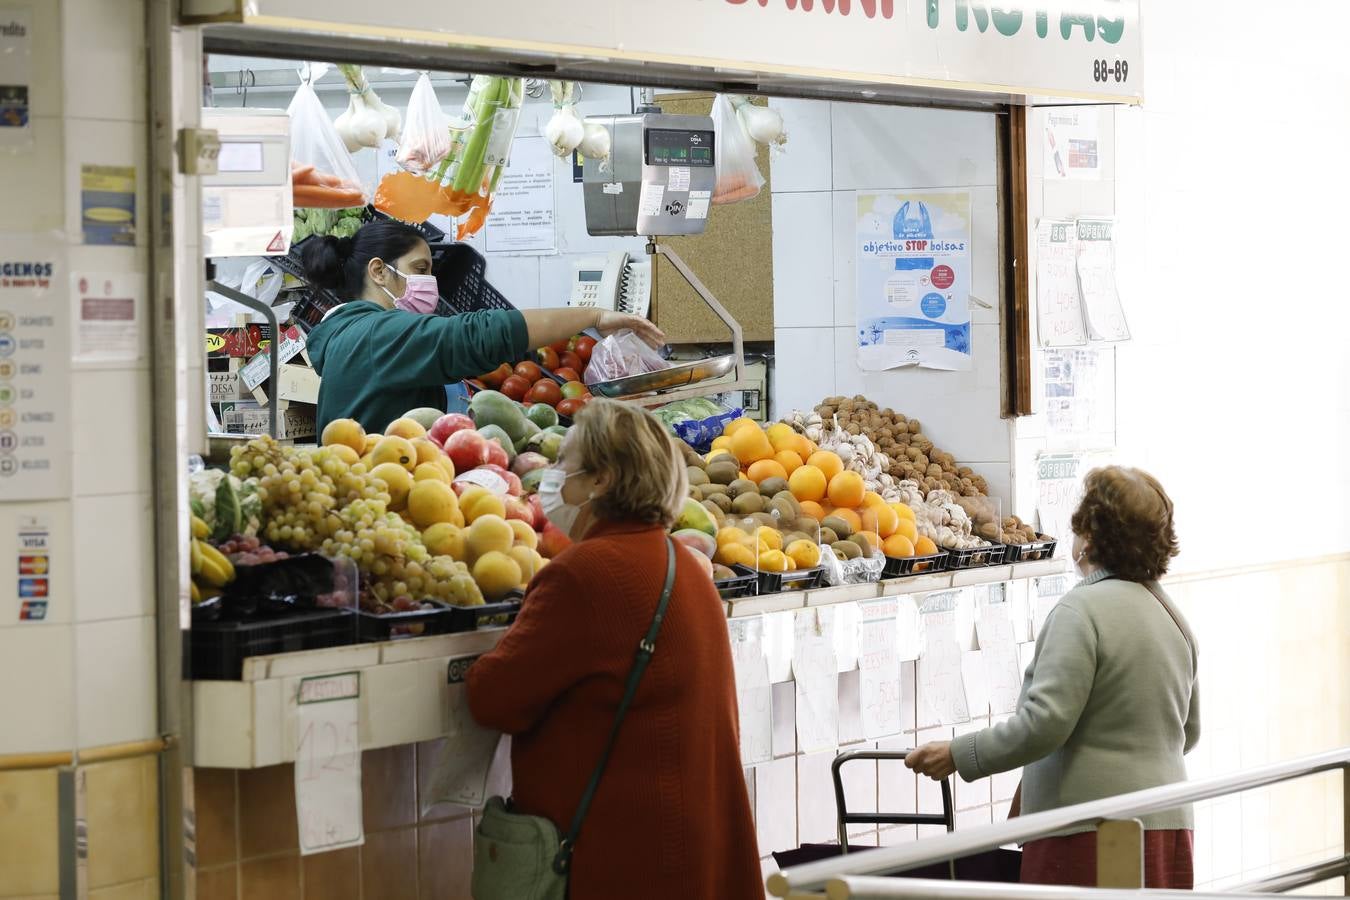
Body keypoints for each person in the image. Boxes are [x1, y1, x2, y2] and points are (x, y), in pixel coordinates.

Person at [465, 399, 762, 900]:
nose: (554, 477)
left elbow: (493, 698)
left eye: (565, 465)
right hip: (692, 855)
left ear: (600, 480)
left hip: (621, 858)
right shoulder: (687, 567)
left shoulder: (583, 574)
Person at [905, 466, 1199, 889]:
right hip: (1168, 821)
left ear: (1090, 539)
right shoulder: (1172, 615)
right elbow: (1188, 732)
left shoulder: (1081, 612)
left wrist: (957, 754)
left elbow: (1045, 724)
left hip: (1093, 829)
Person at [303, 221, 662, 434]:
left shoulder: (349, 332)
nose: (430, 282)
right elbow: (480, 334)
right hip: (379, 499)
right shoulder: (376, 334)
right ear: (378, 271)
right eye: (420, 269)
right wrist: (594, 316)